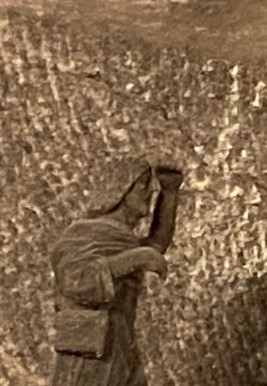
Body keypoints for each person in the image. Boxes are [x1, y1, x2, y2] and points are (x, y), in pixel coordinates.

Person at [50, 158, 181, 386]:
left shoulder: (121, 237)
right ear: (121, 190)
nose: (150, 191)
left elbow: (156, 245)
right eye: (143, 185)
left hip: (120, 342)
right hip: (91, 349)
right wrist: (134, 259)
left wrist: (169, 192)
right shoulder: (85, 233)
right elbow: (76, 281)